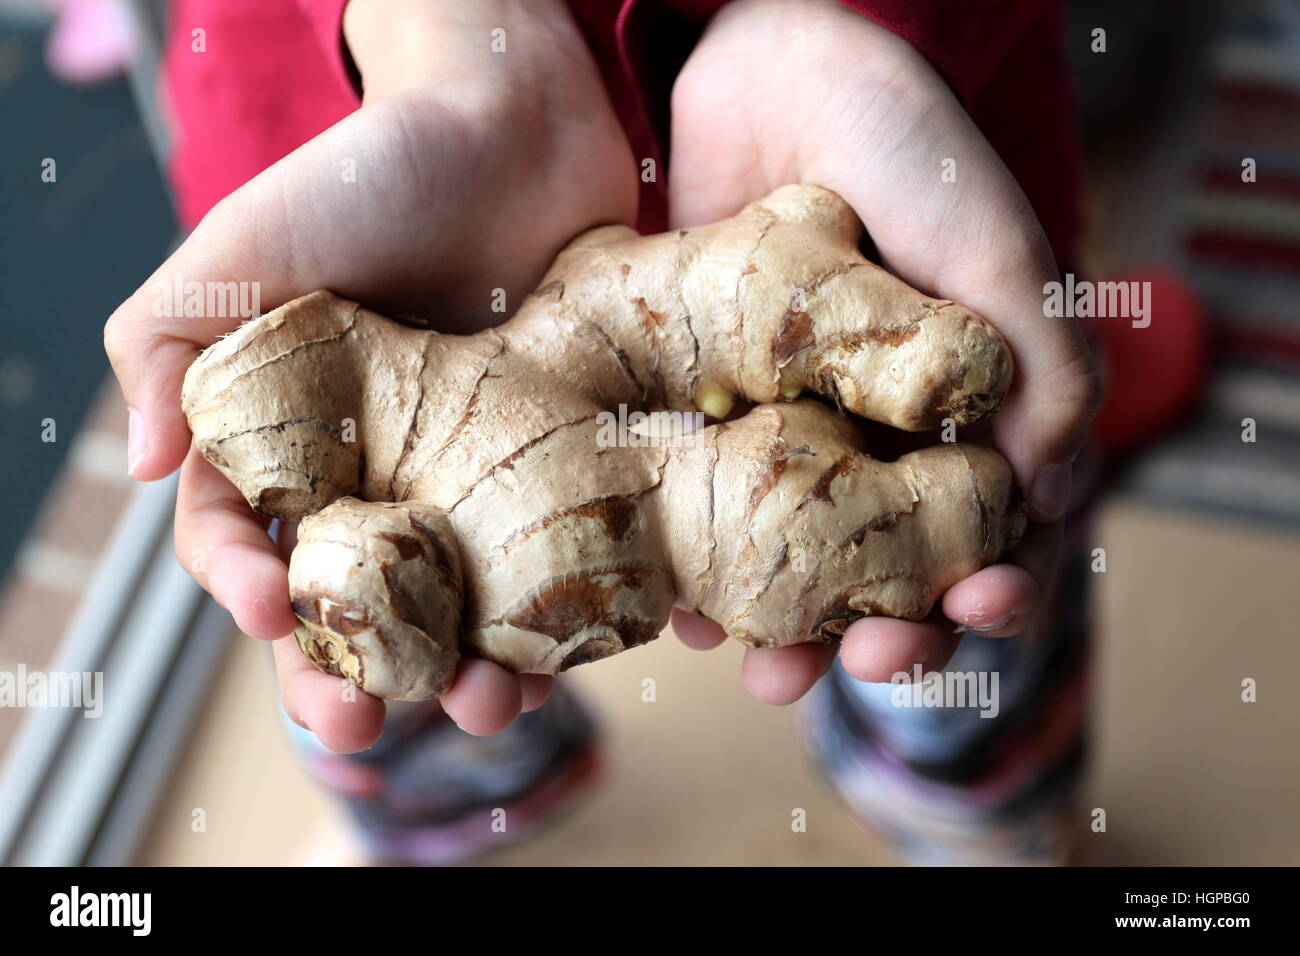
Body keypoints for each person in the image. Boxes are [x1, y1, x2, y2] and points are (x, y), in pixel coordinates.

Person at [104, 0, 1100, 864]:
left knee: (965, 631)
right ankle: (437, 822)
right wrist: (447, 39)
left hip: (887, 159)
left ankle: (975, 826)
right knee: (369, 688)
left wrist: (829, 23)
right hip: (373, 167)